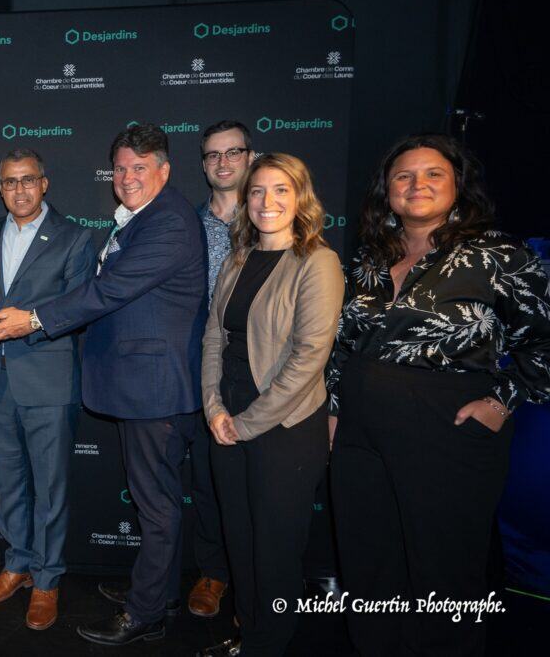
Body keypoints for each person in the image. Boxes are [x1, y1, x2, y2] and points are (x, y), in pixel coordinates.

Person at [326, 134, 550, 657]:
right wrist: (334, 411)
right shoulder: (367, 260)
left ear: (458, 186)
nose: (416, 185)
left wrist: (500, 402)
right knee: (369, 562)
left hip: (449, 430)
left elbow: (543, 342)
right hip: (360, 429)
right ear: (387, 190)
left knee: (444, 573)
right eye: (403, 176)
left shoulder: (498, 256)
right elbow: (341, 345)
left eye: (433, 174)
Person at [0, 124, 207, 646]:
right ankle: (158, 592)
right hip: (136, 385)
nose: (128, 177)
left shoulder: (168, 223)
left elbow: (107, 291)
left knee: (155, 505)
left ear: (165, 170)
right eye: (122, 168)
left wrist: (34, 318)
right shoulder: (144, 219)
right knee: (155, 501)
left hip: (155, 386)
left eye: (140, 167)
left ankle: (145, 612)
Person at [200, 153, 343, 657]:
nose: (267, 201)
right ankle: (251, 634)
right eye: (257, 191)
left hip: (283, 426)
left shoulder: (318, 262)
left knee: (275, 549)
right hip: (228, 417)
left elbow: (308, 359)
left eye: (280, 190)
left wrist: (245, 424)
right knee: (240, 540)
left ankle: (269, 644)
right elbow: (215, 334)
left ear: (300, 197)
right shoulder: (239, 257)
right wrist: (214, 407)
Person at [0, 148, 96, 630]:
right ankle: (18, 563)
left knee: (49, 487)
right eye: (9, 182)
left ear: (44, 184)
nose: (19, 190)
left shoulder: (75, 237)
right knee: (9, 484)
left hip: (48, 378)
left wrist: (28, 326)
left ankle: (47, 580)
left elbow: (81, 307)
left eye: (28, 181)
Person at [188, 120, 255, 618]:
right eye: (213, 154)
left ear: (251, 157)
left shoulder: (276, 222)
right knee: (209, 479)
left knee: (259, 485)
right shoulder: (187, 225)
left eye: (233, 151)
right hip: (202, 367)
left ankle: (258, 583)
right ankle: (214, 573)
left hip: (262, 372)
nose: (223, 161)